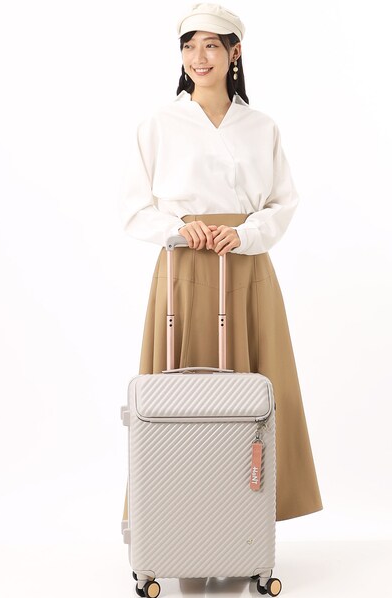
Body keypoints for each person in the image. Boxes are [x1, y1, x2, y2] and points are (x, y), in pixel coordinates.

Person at [118, 2, 323, 521]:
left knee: (256, 393)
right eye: (189, 46)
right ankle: (176, 520)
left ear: (235, 53)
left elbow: (283, 202)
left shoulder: (260, 126)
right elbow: (134, 210)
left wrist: (245, 234)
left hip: (246, 267)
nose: (199, 57)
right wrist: (178, 228)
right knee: (179, 394)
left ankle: (247, 521)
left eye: (211, 45)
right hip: (183, 270)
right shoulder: (159, 123)